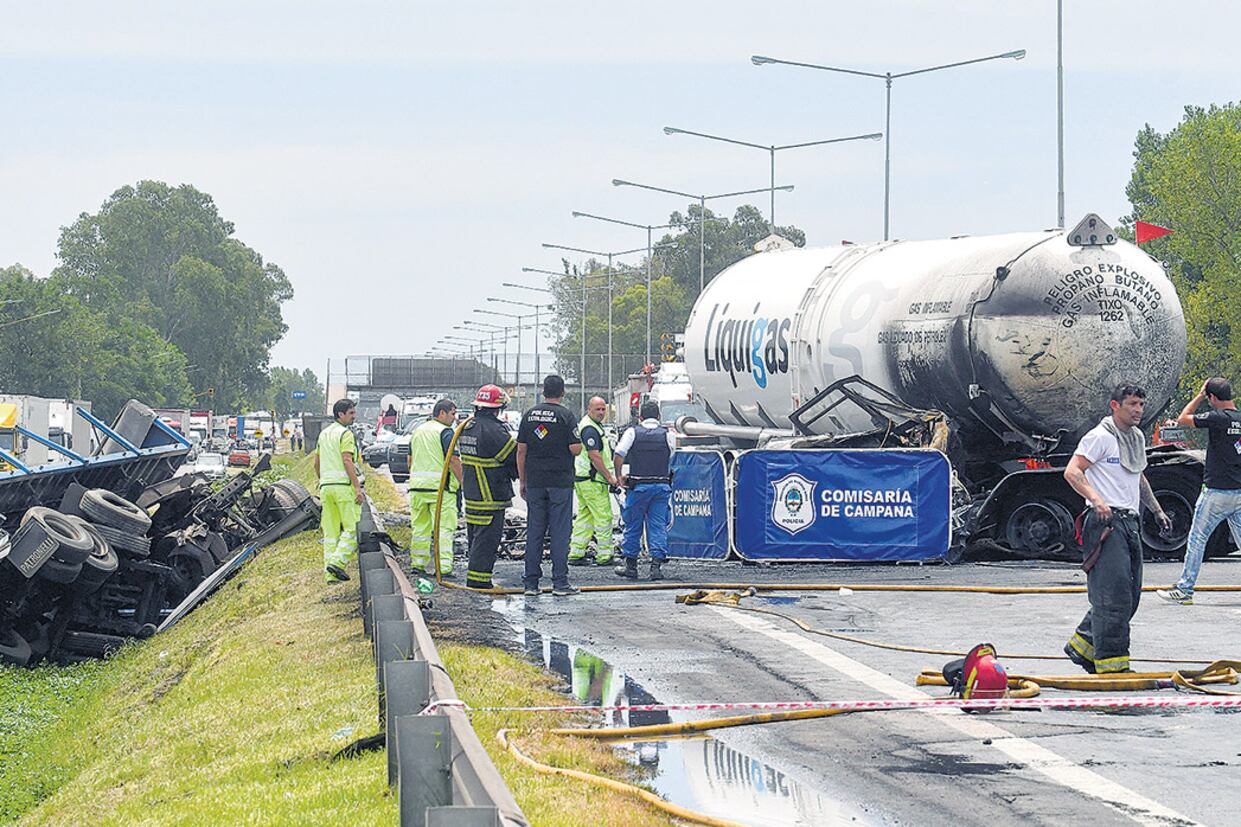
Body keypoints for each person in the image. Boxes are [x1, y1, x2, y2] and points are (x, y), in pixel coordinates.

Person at [1063, 384, 1171, 674]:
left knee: (1130, 596)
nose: (1138, 410)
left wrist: (1157, 510)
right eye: (1132, 404)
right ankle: (1112, 668)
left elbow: (1139, 478)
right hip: (1105, 523)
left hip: (1129, 523)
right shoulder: (1099, 437)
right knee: (1112, 598)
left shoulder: (1135, 438)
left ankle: (1082, 646)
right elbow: (1072, 471)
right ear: (1115, 405)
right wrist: (1097, 499)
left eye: (1141, 404)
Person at [1158, 378, 1241, 604]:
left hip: (1216, 492)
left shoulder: (1217, 418)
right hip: (1239, 492)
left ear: (1212, 397)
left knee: (1197, 539)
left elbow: (1183, 419)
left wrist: (1199, 395)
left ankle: (1185, 590)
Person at [516, 375, 582, 596]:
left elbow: (521, 450)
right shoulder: (566, 415)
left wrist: (523, 480)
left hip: (535, 482)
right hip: (560, 482)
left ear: (543, 392)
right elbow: (576, 449)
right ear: (562, 393)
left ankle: (531, 584)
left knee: (535, 531)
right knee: (559, 532)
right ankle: (560, 583)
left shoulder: (529, 416)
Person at [458, 385, 519, 589]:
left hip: (474, 494)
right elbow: (512, 458)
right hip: (490, 495)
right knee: (487, 541)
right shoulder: (493, 430)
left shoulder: (469, 426)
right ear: (497, 408)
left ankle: (475, 579)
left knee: (475, 538)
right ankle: (479, 583)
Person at [613, 400, 677, 581]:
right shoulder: (668, 435)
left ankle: (631, 567)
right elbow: (671, 456)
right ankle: (655, 567)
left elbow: (619, 453)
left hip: (639, 486)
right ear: (659, 417)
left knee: (633, 525)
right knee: (658, 525)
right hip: (661, 487)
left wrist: (619, 476)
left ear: (640, 417)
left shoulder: (632, 432)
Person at [407, 398, 463, 577]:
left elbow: (410, 459)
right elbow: (454, 460)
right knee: (444, 529)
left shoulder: (418, 431)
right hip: (440, 490)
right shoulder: (445, 432)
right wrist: (464, 482)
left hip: (417, 489)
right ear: (442, 413)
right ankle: (444, 568)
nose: (454, 418)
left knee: (420, 528)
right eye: (452, 414)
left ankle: (418, 565)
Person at [315, 399, 364, 583]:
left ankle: (330, 576)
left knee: (331, 533)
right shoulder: (345, 434)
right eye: (351, 413)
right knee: (352, 528)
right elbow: (347, 460)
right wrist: (357, 487)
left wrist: (323, 480)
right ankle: (337, 563)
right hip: (343, 487)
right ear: (340, 414)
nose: (354, 416)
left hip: (326, 488)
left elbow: (316, 462)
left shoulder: (324, 434)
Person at [569, 396, 620, 567]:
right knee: (603, 517)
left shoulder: (589, 426)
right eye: (597, 409)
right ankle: (605, 555)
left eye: (603, 409)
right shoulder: (590, 429)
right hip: (593, 480)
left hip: (583, 479)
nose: (601, 412)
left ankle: (576, 553)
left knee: (585, 517)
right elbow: (594, 456)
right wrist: (609, 477)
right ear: (589, 409)